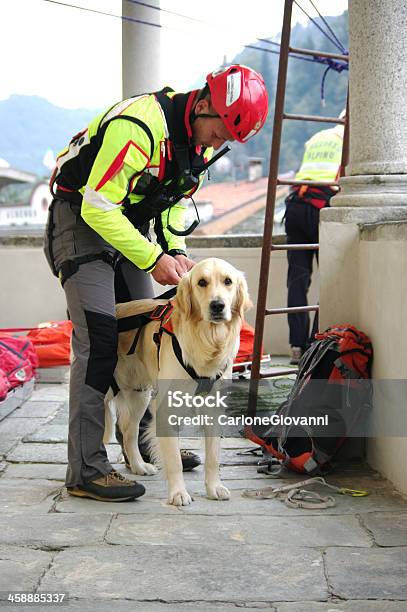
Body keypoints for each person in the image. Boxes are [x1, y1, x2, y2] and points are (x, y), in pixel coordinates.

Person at [44, 64, 269, 502]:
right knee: (101, 340)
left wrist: (175, 250)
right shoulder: (140, 127)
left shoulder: (195, 146)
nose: (217, 144)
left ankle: (148, 445)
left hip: (126, 227)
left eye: (227, 141)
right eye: (220, 132)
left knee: (155, 331)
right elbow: (97, 206)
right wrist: (153, 259)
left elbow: (170, 207)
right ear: (203, 105)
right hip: (80, 220)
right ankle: (86, 469)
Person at [285, 113, 345, 364]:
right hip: (322, 206)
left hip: (296, 205)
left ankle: (297, 346)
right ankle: (314, 344)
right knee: (331, 279)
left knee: (298, 280)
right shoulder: (350, 138)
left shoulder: (318, 137)